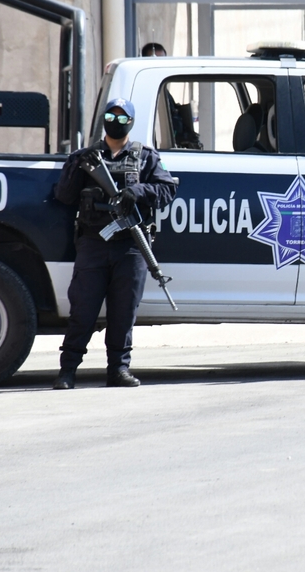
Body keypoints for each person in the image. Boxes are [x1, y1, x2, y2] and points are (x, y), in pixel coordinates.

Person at [52, 97, 177, 389]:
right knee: (83, 311)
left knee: (123, 312)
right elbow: (64, 196)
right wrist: (76, 167)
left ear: (130, 123)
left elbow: (167, 189)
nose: (116, 123)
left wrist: (138, 191)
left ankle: (118, 370)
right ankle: (67, 371)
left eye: (122, 119)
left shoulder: (145, 157)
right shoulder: (87, 157)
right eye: (111, 117)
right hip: (93, 243)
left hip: (130, 245)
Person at [141, 42, 202, 149]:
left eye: (163, 61)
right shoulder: (145, 92)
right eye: (155, 61)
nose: (161, 66)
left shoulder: (163, 91)